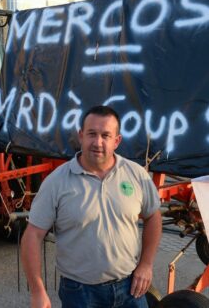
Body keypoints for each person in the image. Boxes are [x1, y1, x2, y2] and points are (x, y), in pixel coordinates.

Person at [21, 105, 162, 308]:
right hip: (80, 294)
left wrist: (146, 264)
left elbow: (153, 216)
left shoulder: (136, 175)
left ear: (117, 141)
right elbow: (32, 235)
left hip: (130, 289)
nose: (98, 142)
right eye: (92, 134)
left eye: (106, 135)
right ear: (81, 136)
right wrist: (37, 291)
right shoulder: (57, 182)